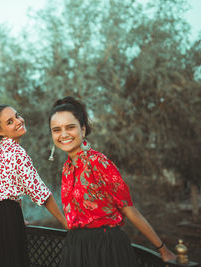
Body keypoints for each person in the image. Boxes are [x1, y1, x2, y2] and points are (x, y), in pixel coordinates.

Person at [48, 96, 176, 267]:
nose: (63, 134)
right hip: (76, 248)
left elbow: (129, 209)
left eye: (70, 127)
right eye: (56, 130)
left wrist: (162, 249)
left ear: (83, 130)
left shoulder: (98, 163)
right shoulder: (67, 168)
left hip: (105, 248)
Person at [0, 104, 68, 267]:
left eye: (17, 115)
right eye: (10, 121)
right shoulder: (17, 153)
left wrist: (18, 215)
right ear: (0, 131)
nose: (18, 121)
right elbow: (41, 194)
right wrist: (67, 223)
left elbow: (6, 188)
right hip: (7, 221)